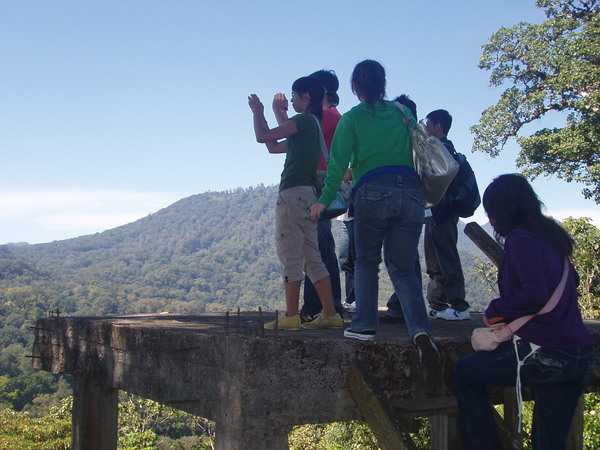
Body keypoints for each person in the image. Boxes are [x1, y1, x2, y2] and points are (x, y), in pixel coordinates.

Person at [310, 60, 438, 369]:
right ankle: (421, 331)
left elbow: (337, 167)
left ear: (355, 87)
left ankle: (364, 325)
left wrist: (323, 202)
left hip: (372, 192)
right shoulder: (403, 112)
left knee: (366, 260)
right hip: (410, 193)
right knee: (405, 267)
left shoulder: (351, 118)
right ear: (383, 83)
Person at [453, 174, 595, 449]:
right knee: (549, 442)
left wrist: (497, 308)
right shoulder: (551, 236)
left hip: (547, 352)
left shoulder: (520, 239)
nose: (491, 220)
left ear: (503, 210)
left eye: (491, 212)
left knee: (465, 373)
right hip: (580, 355)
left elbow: (535, 296)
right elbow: (572, 281)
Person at [248, 76, 342, 330]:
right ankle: (331, 314)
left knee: (289, 251)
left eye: (294, 94)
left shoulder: (303, 121)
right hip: (308, 196)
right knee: (312, 257)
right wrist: (276, 114)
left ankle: (290, 315)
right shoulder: (311, 125)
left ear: (306, 97)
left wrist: (258, 112)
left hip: (292, 195)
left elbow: (262, 137)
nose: (291, 99)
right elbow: (272, 146)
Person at [272, 69, 345, 322]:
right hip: (316, 190)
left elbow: (277, 134)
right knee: (317, 251)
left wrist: (269, 112)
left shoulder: (323, 118)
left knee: (313, 251)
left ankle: (315, 309)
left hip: (310, 190)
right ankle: (327, 310)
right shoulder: (328, 118)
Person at [381, 94, 424, 324]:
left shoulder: (397, 136)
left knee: (399, 260)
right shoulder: (418, 135)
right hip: (417, 199)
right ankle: (408, 309)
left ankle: (403, 308)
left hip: (394, 197)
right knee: (407, 257)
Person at [423, 109, 469, 320]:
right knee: (435, 261)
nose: (427, 127)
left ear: (439, 126)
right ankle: (437, 304)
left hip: (443, 211)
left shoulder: (443, 149)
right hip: (434, 213)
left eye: (429, 124)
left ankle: (459, 306)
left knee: (447, 257)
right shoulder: (440, 148)